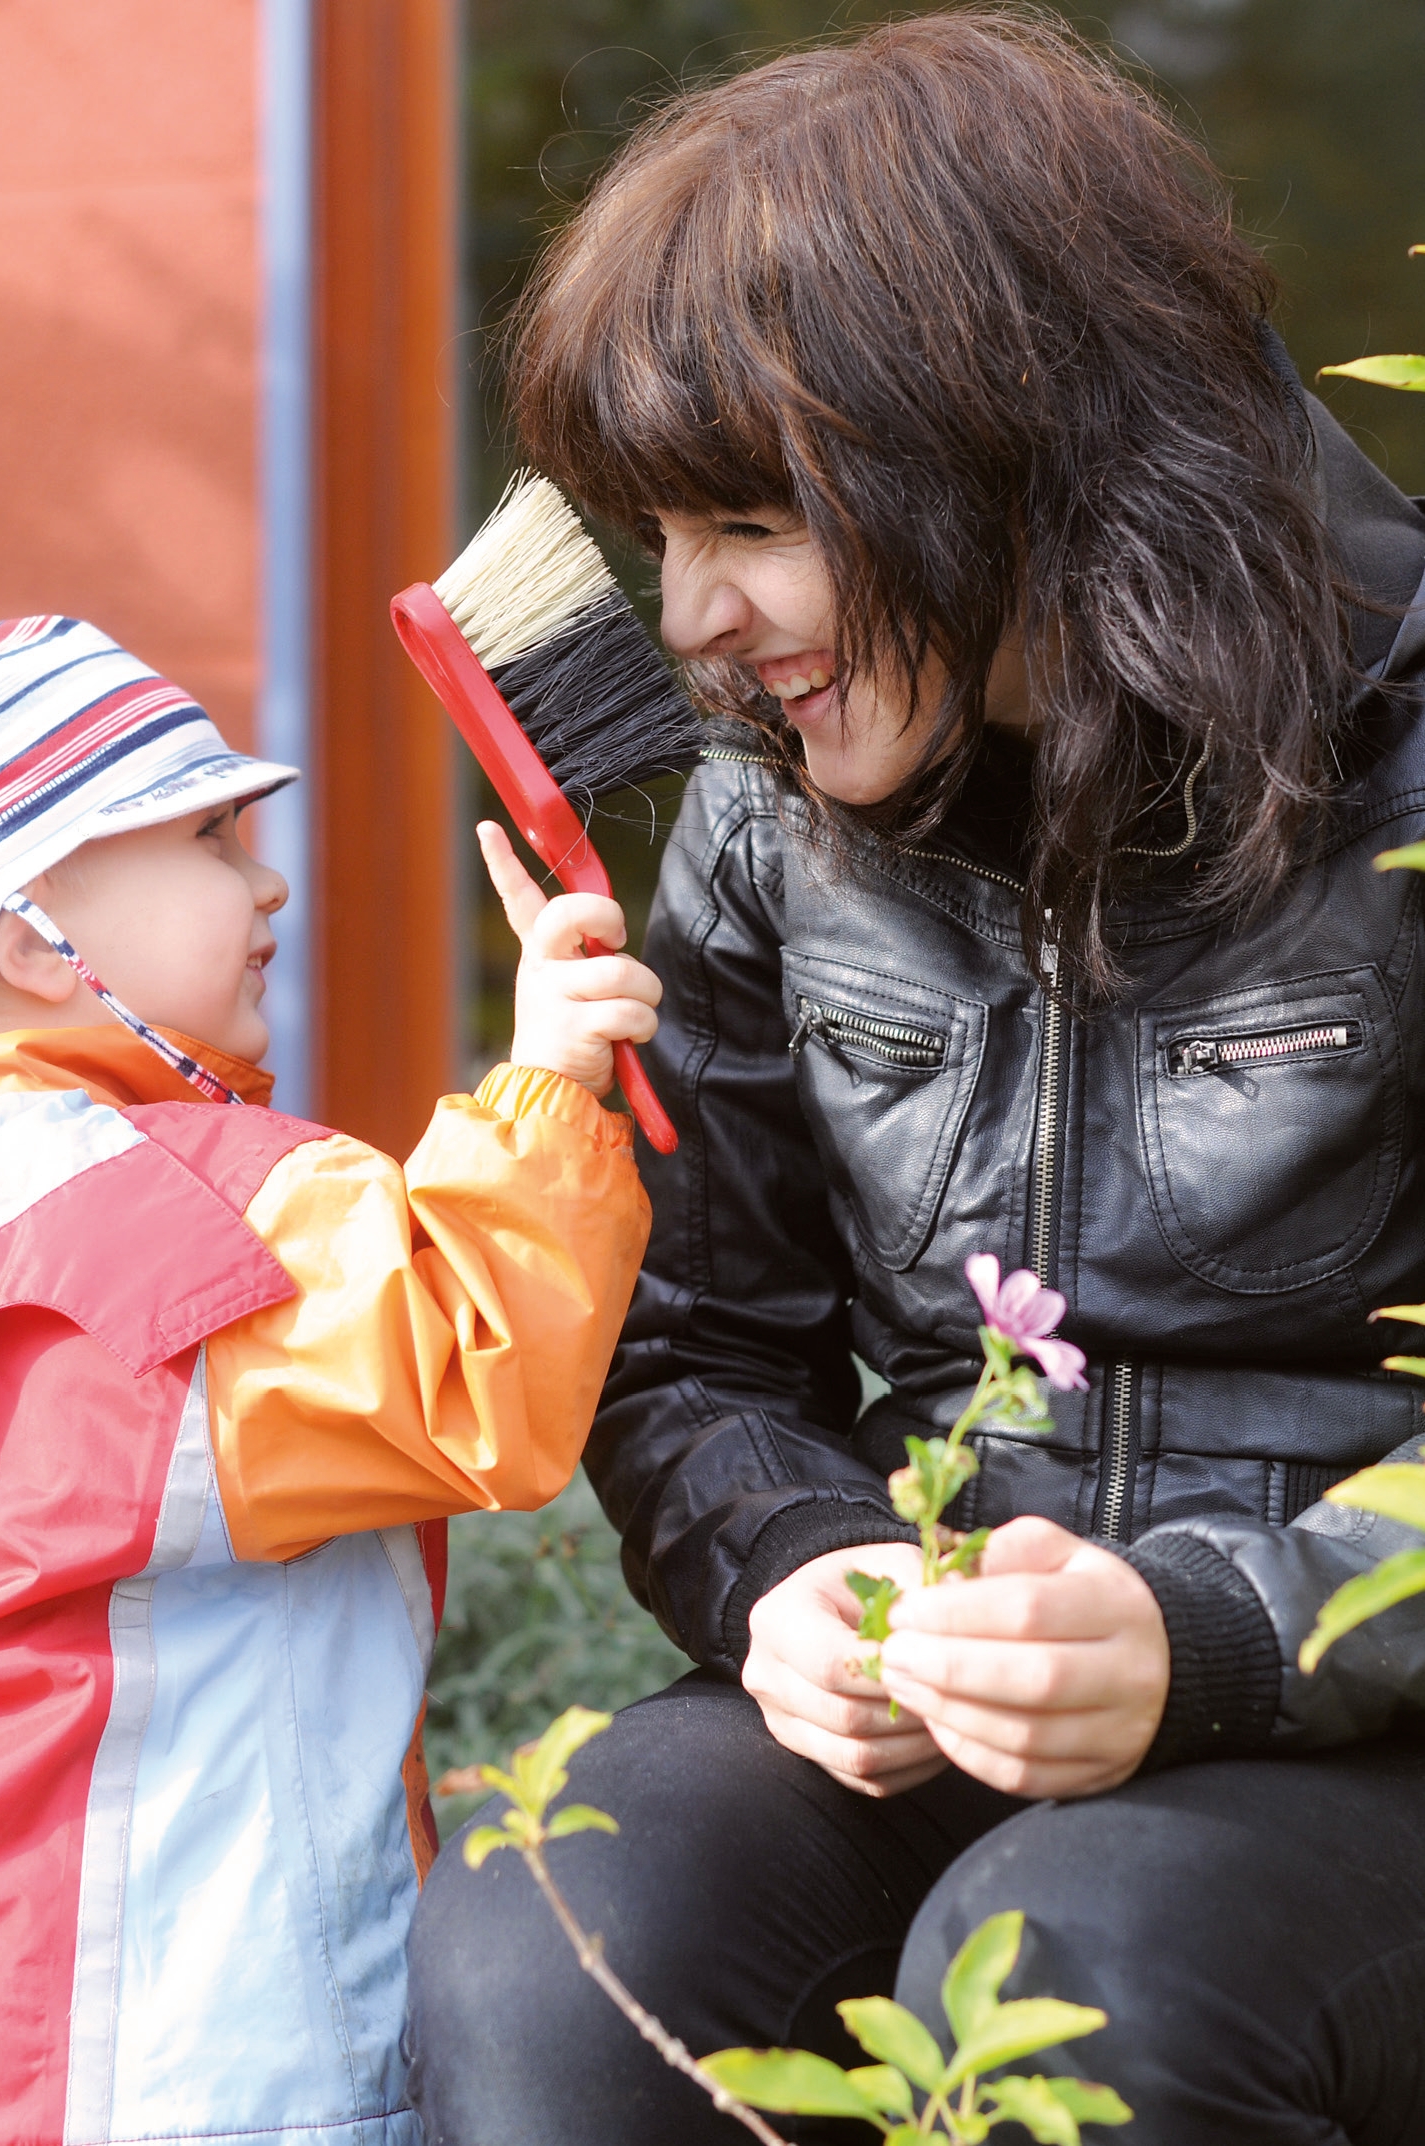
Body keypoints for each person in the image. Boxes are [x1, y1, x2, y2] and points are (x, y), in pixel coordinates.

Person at [407, 14, 1425, 2144]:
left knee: (1082, 1967)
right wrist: (795, 1561)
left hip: (1359, 1721)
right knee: (552, 1934)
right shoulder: (781, 815)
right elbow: (689, 1337)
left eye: (748, 518)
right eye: (651, 530)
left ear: (1002, 444)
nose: (692, 618)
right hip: (944, 1671)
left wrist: (1216, 1640)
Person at [0, 614, 661, 2146]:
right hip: (223, 2055)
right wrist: (542, 1082)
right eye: (205, 835)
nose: (267, 880)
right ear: (27, 933)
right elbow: (471, 1366)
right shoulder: (179, 1217)